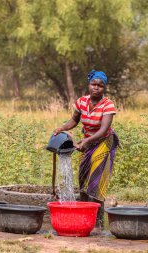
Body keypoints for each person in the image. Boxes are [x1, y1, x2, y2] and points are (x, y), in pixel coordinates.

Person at [53, 69, 119, 229]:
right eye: (93, 84)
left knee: (96, 176)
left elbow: (103, 130)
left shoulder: (108, 105)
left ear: (104, 88)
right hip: (88, 141)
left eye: (100, 85)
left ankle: (98, 221)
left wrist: (87, 141)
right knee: (83, 175)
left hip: (103, 141)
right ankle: (83, 215)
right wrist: (61, 128)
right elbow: (74, 120)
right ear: (88, 85)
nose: (96, 88)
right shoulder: (82, 101)